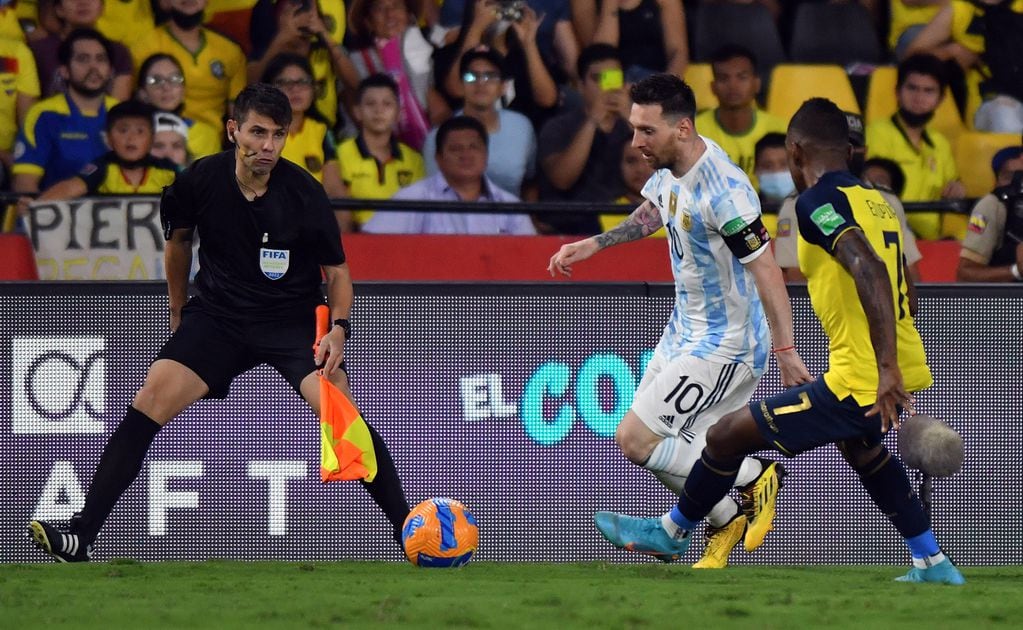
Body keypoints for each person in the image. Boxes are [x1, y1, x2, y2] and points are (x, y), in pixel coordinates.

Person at [27, 83, 410, 562]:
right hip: (219, 316)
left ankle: (409, 532)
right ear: (233, 130)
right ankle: (81, 534)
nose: (267, 145)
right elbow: (178, 244)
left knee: (341, 415)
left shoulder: (306, 193)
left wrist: (339, 328)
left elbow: (338, 274)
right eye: (257, 132)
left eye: (278, 135)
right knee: (151, 397)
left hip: (291, 321)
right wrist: (178, 310)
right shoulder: (196, 181)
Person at [594, 97, 966, 586]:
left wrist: (884, 368)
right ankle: (933, 563)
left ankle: (671, 530)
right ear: (848, 151)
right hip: (890, 361)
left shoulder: (816, 202)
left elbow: (868, 268)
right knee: (867, 454)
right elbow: (904, 288)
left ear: (795, 152)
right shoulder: (878, 200)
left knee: (727, 436)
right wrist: (893, 360)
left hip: (863, 375)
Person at [548, 73, 812, 569]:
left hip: (727, 343)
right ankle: (726, 512)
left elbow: (769, 270)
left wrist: (784, 349)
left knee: (635, 438)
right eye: (633, 128)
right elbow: (656, 211)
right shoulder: (671, 165)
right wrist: (594, 245)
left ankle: (750, 476)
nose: (636, 142)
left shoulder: (727, 193)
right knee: (677, 444)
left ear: (683, 128)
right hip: (683, 330)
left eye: (646, 131)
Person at [777, 111, 922, 283]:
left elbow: (908, 273)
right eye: (836, 146)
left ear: (863, 151)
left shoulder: (888, 200)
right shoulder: (798, 203)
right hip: (828, 308)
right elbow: (796, 279)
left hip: (882, 304)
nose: (844, 153)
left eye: (851, 144)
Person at [363, 115, 535, 234]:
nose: (465, 154)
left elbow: (530, 261)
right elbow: (372, 246)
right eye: (455, 148)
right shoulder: (413, 199)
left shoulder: (510, 207)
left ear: (486, 155)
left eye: (473, 147)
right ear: (438, 158)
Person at [866, 53, 964, 240]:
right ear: (897, 92)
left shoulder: (940, 143)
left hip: (933, 243)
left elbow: (953, 185)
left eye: (928, 91)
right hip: (892, 234)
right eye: (912, 88)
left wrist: (957, 189)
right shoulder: (878, 133)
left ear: (941, 99)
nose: (919, 98)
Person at [537, 44, 630, 234]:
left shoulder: (634, 127)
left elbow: (662, 173)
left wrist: (630, 116)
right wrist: (592, 122)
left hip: (625, 227)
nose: (606, 87)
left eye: (613, 79)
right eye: (598, 79)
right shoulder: (557, 127)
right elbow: (562, 179)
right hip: (569, 230)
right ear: (580, 86)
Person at [12, 28, 117, 194]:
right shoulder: (44, 115)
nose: (94, 67)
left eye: (101, 59)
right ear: (64, 71)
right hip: (58, 217)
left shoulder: (123, 113)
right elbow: (25, 184)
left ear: (110, 70)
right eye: (83, 59)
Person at [423, 47, 536, 198]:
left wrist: (530, 218)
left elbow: (530, 183)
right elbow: (432, 193)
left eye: (490, 76)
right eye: (471, 76)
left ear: (503, 87)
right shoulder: (438, 137)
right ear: (461, 85)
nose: (480, 83)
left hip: (510, 219)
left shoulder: (522, 127)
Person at [22, 100, 178, 204]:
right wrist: (36, 207)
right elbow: (70, 188)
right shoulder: (101, 168)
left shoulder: (166, 170)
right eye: (123, 130)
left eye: (140, 131)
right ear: (109, 138)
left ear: (152, 138)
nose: (131, 138)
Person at [129, 0, 247, 131]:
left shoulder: (231, 51)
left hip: (210, 143)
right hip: (160, 138)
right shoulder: (143, 47)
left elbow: (237, 112)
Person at [337, 73, 425, 231]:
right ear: (357, 111)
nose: (378, 110)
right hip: (356, 241)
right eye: (370, 104)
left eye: (387, 104)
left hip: (404, 241)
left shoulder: (414, 159)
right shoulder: (339, 155)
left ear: (398, 113)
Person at [261, 53, 347, 203]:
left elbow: (334, 190)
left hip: (312, 218)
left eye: (302, 82)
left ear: (314, 89)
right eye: (283, 82)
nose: (295, 89)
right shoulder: (258, 130)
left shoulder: (322, 130)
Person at [695, 45, 787, 184]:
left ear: (757, 84)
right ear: (713, 87)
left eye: (742, 77)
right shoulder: (695, 131)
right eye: (723, 78)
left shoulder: (780, 129)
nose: (733, 85)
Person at [29, 0, 133, 100]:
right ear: (59, 9)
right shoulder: (39, 50)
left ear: (102, 7)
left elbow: (117, 109)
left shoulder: (119, 52)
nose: (83, 2)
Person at [135, 53, 224, 161]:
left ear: (183, 89)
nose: (166, 87)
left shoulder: (206, 135)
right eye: (156, 80)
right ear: (142, 93)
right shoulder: (132, 132)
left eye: (175, 78)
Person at [956, 145, 1023, 282]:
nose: (1016, 184)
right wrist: (1016, 271)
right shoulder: (992, 206)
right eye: (1009, 177)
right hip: (1007, 299)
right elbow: (964, 274)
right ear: (995, 181)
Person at [587, 0, 688, 80]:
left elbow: (678, 53)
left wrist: (665, 87)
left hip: (656, 77)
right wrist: (610, 5)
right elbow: (602, 54)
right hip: (617, 81)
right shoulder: (604, 4)